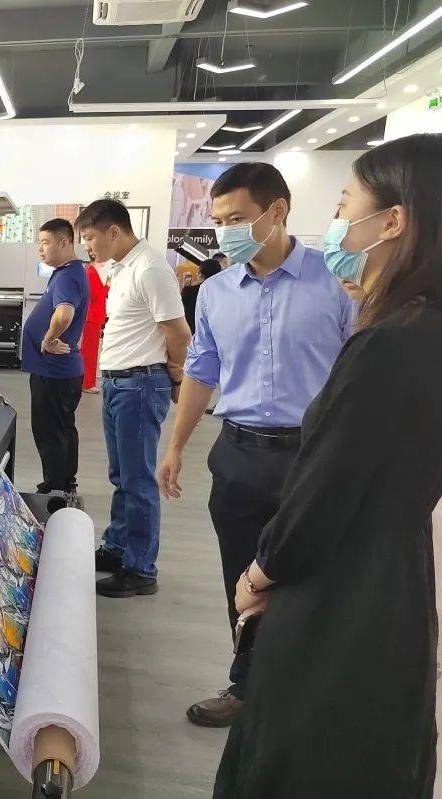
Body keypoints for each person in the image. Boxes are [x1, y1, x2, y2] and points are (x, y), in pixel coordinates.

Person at [211, 133, 442, 799]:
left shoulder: (388, 344)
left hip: (341, 593)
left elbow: (327, 491)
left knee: (302, 758)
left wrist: (260, 573)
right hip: (388, 578)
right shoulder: (421, 329)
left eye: (345, 204)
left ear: (393, 221)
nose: (337, 221)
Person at [155, 162, 356, 729]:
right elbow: (201, 371)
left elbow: (361, 372)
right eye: (218, 222)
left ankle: (309, 697)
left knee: (312, 578)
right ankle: (247, 686)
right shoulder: (216, 292)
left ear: (277, 211)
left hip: (313, 458)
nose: (226, 232)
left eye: (237, 218)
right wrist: (176, 446)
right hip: (239, 455)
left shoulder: (336, 285)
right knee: (241, 577)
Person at [76, 199, 191, 598]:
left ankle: (141, 569)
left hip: (140, 383)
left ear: (114, 231)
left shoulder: (150, 267)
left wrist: (176, 375)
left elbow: (178, 332)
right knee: (122, 475)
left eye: (90, 237)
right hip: (118, 383)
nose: (87, 246)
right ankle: (118, 546)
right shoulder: (123, 267)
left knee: (138, 478)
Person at [19, 218, 89, 498]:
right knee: (62, 427)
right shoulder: (65, 273)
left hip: (54, 371)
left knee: (50, 430)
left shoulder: (69, 276)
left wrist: (48, 339)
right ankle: (65, 481)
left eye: (45, 243)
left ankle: (55, 488)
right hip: (58, 371)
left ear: (65, 242)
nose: (41, 249)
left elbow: (63, 315)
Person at [80, 260, 109, 393]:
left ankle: (87, 382)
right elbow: (95, 296)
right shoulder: (91, 273)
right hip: (92, 317)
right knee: (89, 353)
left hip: (94, 317)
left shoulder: (92, 272)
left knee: (90, 352)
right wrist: (107, 285)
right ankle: (87, 383)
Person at [181, 257, 223, 333]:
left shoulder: (188, 292)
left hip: (191, 332)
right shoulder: (220, 293)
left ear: (200, 274)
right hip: (214, 333)